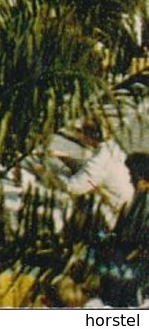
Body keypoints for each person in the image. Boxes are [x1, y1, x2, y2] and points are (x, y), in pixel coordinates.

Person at [98, 151, 149, 307]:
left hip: (136, 268)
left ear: (144, 180)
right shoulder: (140, 196)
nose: (129, 180)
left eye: (133, 177)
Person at [64, 119, 134, 225]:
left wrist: (50, 172)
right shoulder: (114, 147)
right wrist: (65, 159)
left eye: (79, 131)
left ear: (86, 136)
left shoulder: (101, 160)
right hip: (130, 206)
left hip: (119, 216)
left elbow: (74, 187)